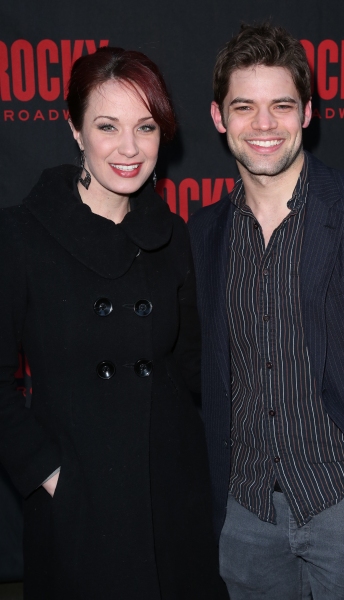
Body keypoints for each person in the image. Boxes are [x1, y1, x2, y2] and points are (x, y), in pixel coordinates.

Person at [188, 22, 344, 600]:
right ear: (219, 118)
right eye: (245, 107)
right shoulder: (206, 231)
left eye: (281, 105)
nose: (264, 125)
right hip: (246, 521)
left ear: (307, 113)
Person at [0, 46, 227, 600]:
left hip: (173, 499)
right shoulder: (21, 236)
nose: (129, 149)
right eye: (108, 126)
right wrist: (50, 475)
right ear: (75, 130)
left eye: (145, 127)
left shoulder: (172, 236)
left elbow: (195, 365)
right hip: (80, 505)